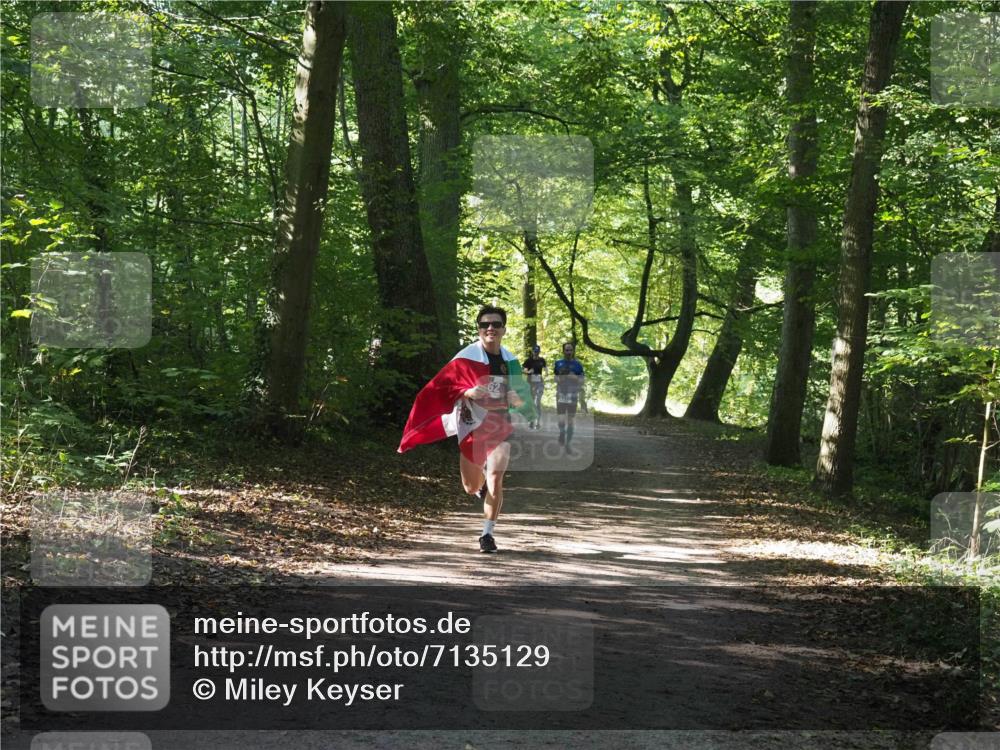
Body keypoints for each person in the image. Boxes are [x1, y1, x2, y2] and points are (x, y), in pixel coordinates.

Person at [398, 305, 534, 553]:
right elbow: (440, 388)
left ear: (504, 329)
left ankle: (487, 534)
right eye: (485, 324)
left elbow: (522, 399)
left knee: (496, 477)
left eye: (496, 324)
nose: (490, 328)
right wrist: (467, 392)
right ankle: (480, 488)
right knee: (471, 487)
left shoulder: (511, 362)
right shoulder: (465, 358)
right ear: (479, 329)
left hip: (500, 425)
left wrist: (519, 402)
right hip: (472, 426)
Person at [553, 341, 585, 451]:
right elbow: (555, 378)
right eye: (567, 350)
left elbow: (582, 380)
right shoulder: (558, 363)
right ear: (563, 351)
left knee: (570, 420)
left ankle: (568, 443)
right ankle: (562, 433)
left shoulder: (578, 365)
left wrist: (573, 377)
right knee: (561, 420)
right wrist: (560, 378)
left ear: (573, 351)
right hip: (561, 394)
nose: (569, 352)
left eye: (570, 350)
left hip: (573, 395)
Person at [522, 345, 547, 430]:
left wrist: (546, 372)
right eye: (535, 351)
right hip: (530, 384)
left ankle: (538, 422)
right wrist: (528, 372)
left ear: (539, 352)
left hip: (539, 383)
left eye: (537, 351)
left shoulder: (542, 360)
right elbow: (523, 369)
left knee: (537, 402)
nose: (536, 353)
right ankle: (531, 421)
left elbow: (546, 368)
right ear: (532, 352)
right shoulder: (528, 361)